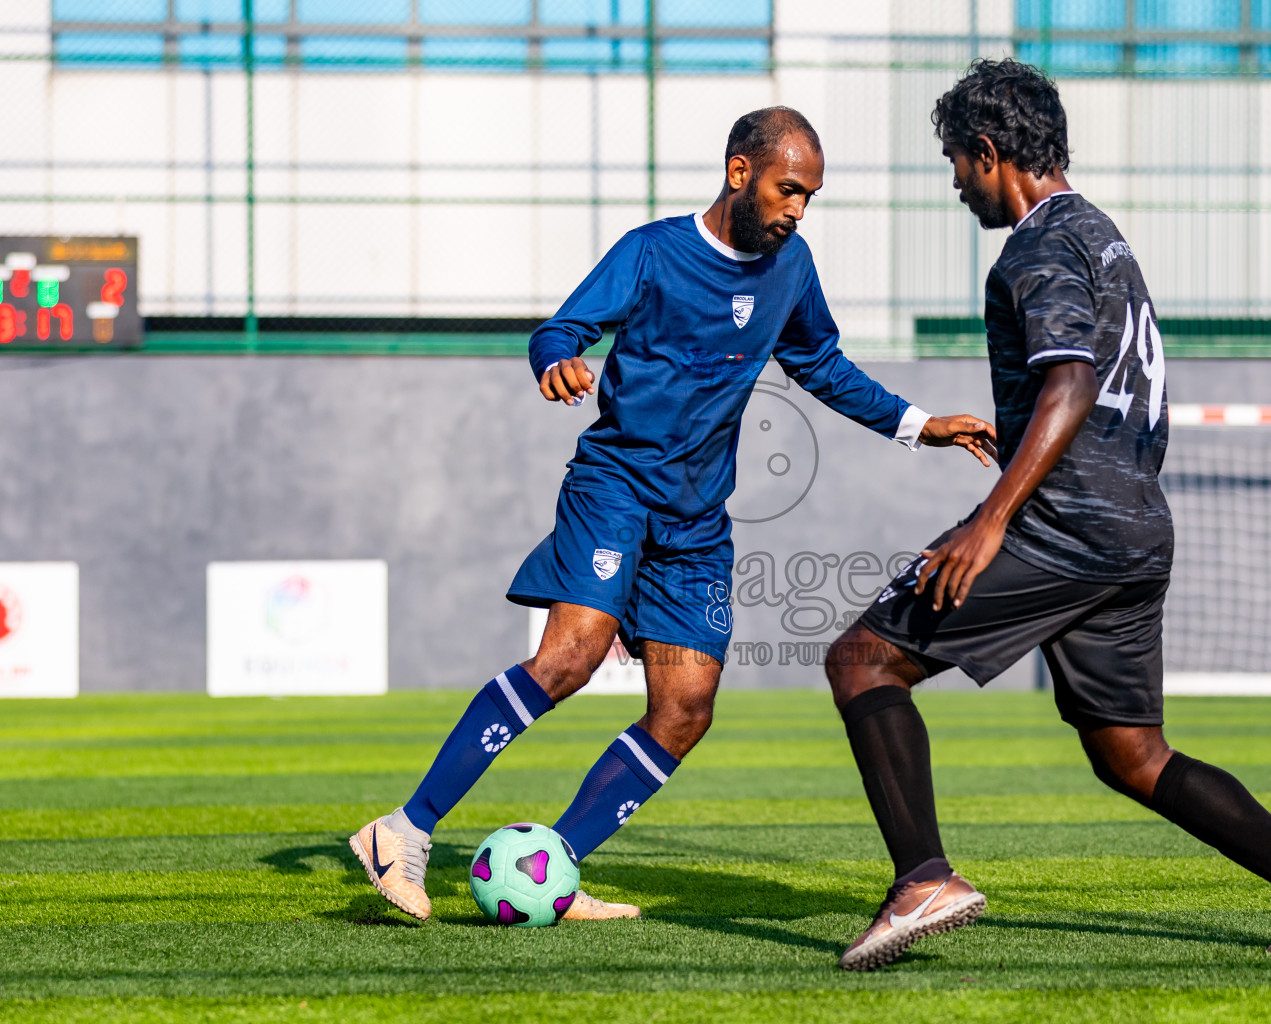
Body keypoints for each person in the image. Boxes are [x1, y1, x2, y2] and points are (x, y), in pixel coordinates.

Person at [348, 106, 997, 922]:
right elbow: (563, 328)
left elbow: (821, 364)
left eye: (810, 197)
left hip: (696, 524)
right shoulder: (652, 252)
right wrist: (559, 359)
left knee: (685, 708)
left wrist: (918, 425)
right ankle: (402, 831)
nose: (798, 210)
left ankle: (556, 869)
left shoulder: (791, 268)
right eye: (789, 190)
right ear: (739, 174)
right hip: (616, 488)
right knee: (568, 660)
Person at [822, 59, 1271, 972]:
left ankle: (923, 878)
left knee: (861, 659)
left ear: (989, 151)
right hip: (1133, 529)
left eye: (956, 165)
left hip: (1063, 526)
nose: (956, 185)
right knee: (1131, 754)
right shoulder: (1103, 236)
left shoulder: (1037, 246)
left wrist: (994, 518)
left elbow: (1074, 378)